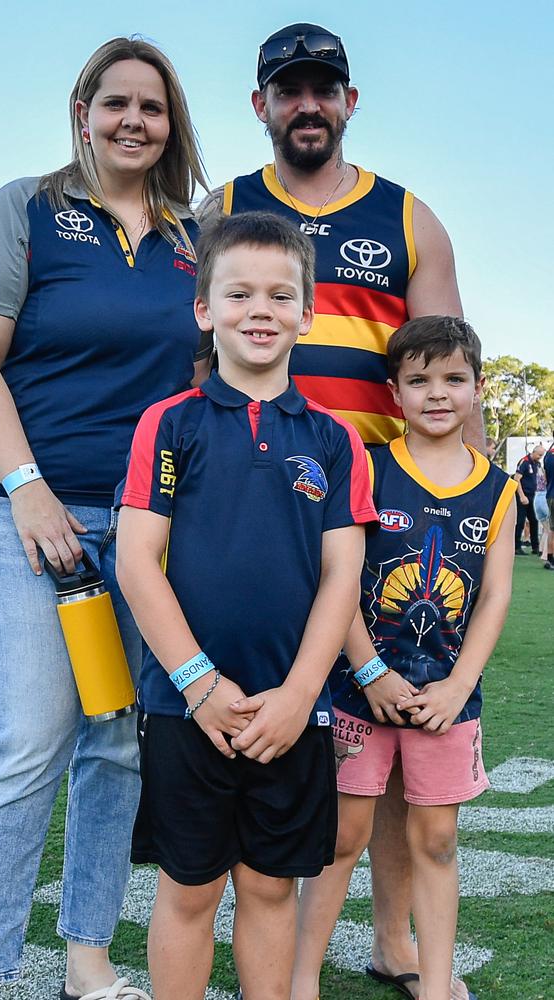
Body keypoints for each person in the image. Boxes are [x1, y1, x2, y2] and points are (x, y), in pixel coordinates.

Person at [197, 21, 484, 999]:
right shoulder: (222, 208)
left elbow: (448, 368)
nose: (307, 104)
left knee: (394, 741)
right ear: (262, 106)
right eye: (290, 89)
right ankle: (260, 946)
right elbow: (186, 352)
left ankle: (394, 945)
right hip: (243, 509)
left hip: (375, 519)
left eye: (325, 88)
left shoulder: (408, 220)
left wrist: (468, 512)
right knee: (251, 728)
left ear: (348, 102)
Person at [0, 36, 209, 1000]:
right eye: (116, 102)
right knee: (25, 745)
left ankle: (87, 958)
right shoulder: (27, 208)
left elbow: (201, 381)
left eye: (153, 105)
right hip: (29, 527)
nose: (134, 120)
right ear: (83, 111)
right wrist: (27, 488)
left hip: (143, 532)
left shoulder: (192, 243)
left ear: (171, 121)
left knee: (116, 741)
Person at [116, 212, 378, 1000]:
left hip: (291, 713)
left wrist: (302, 695)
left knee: (269, 889)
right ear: (204, 310)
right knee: (189, 890)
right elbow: (135, 560)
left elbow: (343, 577)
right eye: (238, 293)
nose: (259, 309)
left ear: (306, 312)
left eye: (279, 295)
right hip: (184, 706)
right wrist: (198, 684)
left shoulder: (335, 440)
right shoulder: (171, 423)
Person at [293, 316, 517, 1000]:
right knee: (342, 836)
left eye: (453, 379)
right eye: (419, 381)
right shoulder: (368, 467)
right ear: (394, 393)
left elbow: (495, 598)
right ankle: (298, 982)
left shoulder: (499, 488)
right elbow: (339, 581)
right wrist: (369, 669)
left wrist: (458, 686)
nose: (437, 394)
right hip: (361, 691)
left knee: (437, 842)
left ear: (478, 389)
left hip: (447, 705)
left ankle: (434, 977)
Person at [513, 444, 545, 555]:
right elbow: (516, 479)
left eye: (542, 455)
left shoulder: (537, 463)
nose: (540, 457)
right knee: (520, 521)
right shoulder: (524, 462)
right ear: (534, 452)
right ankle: (516, 546)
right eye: (539, 454)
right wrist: (521, 496)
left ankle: (535, 546)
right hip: (523, 495)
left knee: (534, 521)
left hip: (533, 496)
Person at [543, 442, 554, 570]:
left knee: (552, 528)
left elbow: (546, 476)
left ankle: (550, 559)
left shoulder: (548, 455)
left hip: (550, 494)